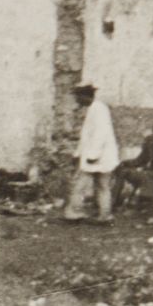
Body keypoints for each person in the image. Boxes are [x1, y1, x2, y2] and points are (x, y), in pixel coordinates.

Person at [62, 82, 117, 224]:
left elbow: (100, 134)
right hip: (101, 156)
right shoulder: (95, 108)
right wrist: (77, 154)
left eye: (78, 97)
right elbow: (86, 136)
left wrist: (93, 155)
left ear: (84, 96)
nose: (77, 101)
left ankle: (75, 213)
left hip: (98, 156)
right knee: (102, 185)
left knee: (81, 184)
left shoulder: (98, 109)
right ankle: (104, 215)